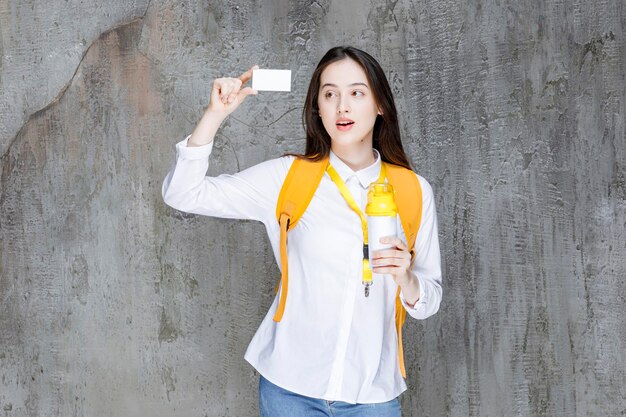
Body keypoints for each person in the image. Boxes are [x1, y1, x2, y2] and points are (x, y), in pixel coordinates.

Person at [162, 46, 442, 417]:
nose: (342, 106)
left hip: (372, 393)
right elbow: (183, 193)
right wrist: (214, 116)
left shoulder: (413, 191)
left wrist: (406, 278)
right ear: (318, 109)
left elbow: (429, 300)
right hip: (288, 391)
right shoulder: (288, 177)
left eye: (356, 93)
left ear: (380, 106)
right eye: (330, 94)